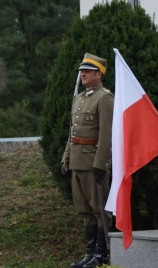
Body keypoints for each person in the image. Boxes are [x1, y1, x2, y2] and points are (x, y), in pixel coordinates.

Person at [61, 53, 114, 268]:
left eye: (87, 71)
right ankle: (90, 254)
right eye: (82, 71)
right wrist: (66, 158)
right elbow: (72, 133)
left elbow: (106, 134)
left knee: (100, 210)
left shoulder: (105, 98)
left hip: (93, 164)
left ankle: (101, 255)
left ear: (99, 74)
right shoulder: (79, 98)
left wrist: (100, 164)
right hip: (77, 162)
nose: (82, 74)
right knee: (85, 210)